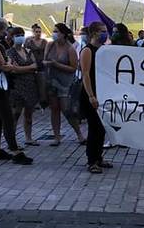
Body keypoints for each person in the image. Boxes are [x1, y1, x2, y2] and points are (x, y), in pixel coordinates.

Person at [0, 18, 33, 164]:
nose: (7, 33)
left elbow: (5, 63)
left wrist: (9, 63)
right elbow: (4, 66)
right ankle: (15, 151)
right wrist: (10, 64)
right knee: (7, 118)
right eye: (5, 29)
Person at [43, 23, 85, 145]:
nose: (54, 34)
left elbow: (73, 67)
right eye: (53, 31)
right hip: (52, 80)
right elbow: (45, 60)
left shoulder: (70, 49)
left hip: (65, 83)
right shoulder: (50, 45)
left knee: (67, 110)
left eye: (57, 31)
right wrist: (46, 63)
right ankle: (56, 136)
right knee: (54, 109)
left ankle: (79, 134)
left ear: (64, 34)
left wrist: (56, 64)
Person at [80, 21, 112, 174]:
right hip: (90, 94)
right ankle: (91, 160)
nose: (105, 34)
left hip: (102, 94)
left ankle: (98, 157)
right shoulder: (87, 50)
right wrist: (91, 95)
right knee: (94, 128)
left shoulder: (103, 50)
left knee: (101, 128)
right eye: (102, 31)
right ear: (93, 33)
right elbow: (85, 74)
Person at [6, 27, 39, 145]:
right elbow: (12, 69)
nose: (20, 37)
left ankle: (29, 138)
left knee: (29, 114)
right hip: (17, 86)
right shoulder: (9, 52)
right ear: (13, 37)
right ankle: (12, 140)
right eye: (17, 35)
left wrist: (20, 68)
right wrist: (28, 69)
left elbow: (35, 66)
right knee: (16, 114)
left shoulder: (28, 51)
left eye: (22, 34)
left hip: (30, 86)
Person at [25, 24, 48, 108]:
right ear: (33, 32)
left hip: (42, 65)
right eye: (36, 32)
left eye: (39, 32)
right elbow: (26, 53)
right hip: (32, 64)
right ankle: (34, 102)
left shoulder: (44, 42)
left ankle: (43, 101)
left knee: (42, 83)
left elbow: (47, 52)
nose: (38, 33)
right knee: (33, 83)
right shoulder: (29, 42)